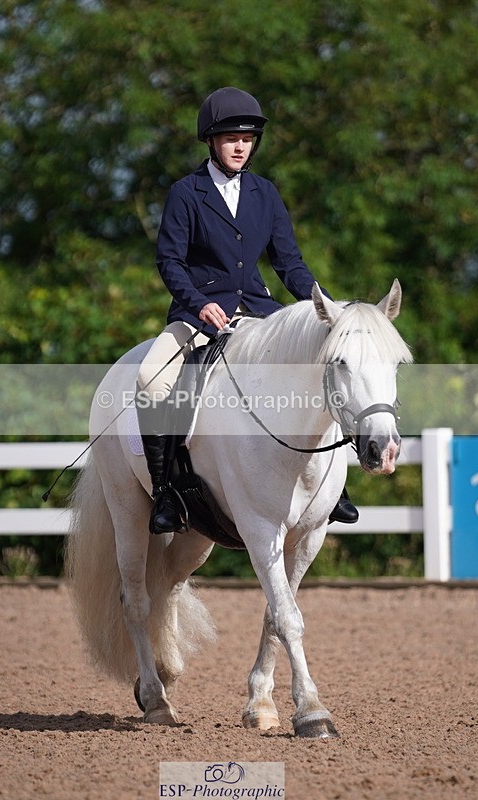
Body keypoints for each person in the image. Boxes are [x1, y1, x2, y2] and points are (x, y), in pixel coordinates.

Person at [137, 86, 358, 534]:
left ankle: (334, 488)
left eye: (247, 138)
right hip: (198, 315)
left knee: (320, 367)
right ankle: (166, 494)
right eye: (230, 138)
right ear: (211, 142)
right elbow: (170, 262)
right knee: (151, 378)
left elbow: (289, 263)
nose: (240, 146)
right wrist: (199, 306)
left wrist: (329, 309)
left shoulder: (265, 193)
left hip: (258, 311)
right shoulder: (186, 193)